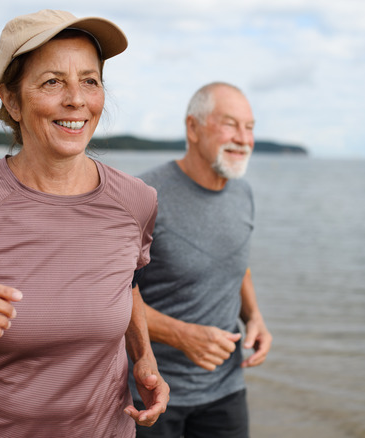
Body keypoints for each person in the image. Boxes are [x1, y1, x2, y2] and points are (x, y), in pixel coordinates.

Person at [0, 10, 168, 437]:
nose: (76, 99)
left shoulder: (137, 200)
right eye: (53, 81)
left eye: (90, 81)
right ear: (12, 100)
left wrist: (144, 358)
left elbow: (126, 284)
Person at [129, 82, 273, 438]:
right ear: (192, 128)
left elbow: (236, 263)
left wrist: (254, 316)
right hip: (151, 392)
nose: (243, 138)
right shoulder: (143, 197)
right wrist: (181, 335)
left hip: (226, 391)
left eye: (250, 127)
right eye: (230, 124)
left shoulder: (244, 192)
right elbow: (108, 296)